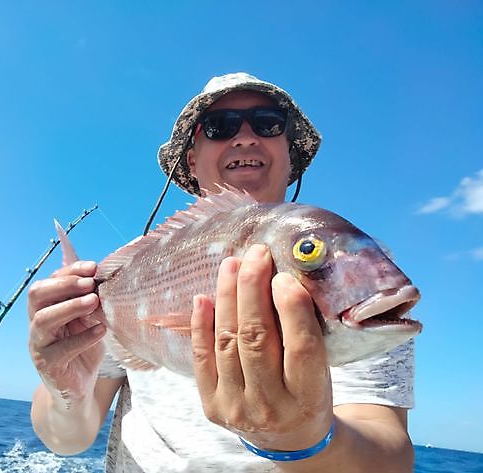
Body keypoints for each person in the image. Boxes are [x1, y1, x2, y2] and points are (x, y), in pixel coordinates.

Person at [28, 73, 415, 472]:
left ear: (289, 152)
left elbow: (391, 456)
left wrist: (301, 442)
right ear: (192, 159)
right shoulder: (129, 275)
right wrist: (65, 393)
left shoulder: (360, 282)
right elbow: (68, 440)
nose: (245, 137)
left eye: (268, 123)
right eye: (220, 126)